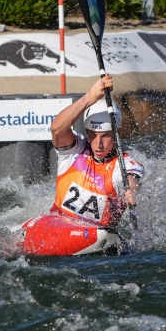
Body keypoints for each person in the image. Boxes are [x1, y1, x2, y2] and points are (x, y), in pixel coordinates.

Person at [49, 74, 144, 228]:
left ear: (116, 134)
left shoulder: (125, 163)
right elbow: (57, 129)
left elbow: (131, 181)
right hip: (59, 226)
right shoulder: (75, 150)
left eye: (106, 136)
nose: (98, 144)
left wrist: (131, 192)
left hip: (96, 236)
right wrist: (90, 97)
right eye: (93, 134)